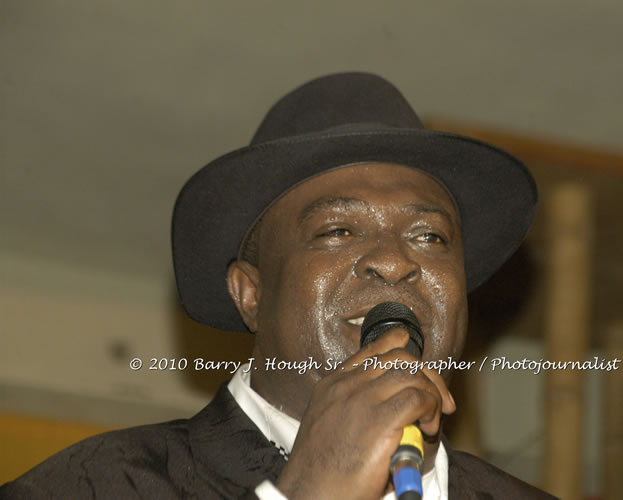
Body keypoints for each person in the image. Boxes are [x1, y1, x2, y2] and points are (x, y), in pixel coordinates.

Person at [0, 72, 554, 499]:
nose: (394, 261)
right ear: (251, 294)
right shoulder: (96, 484)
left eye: (430, 237)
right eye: (337, 230)